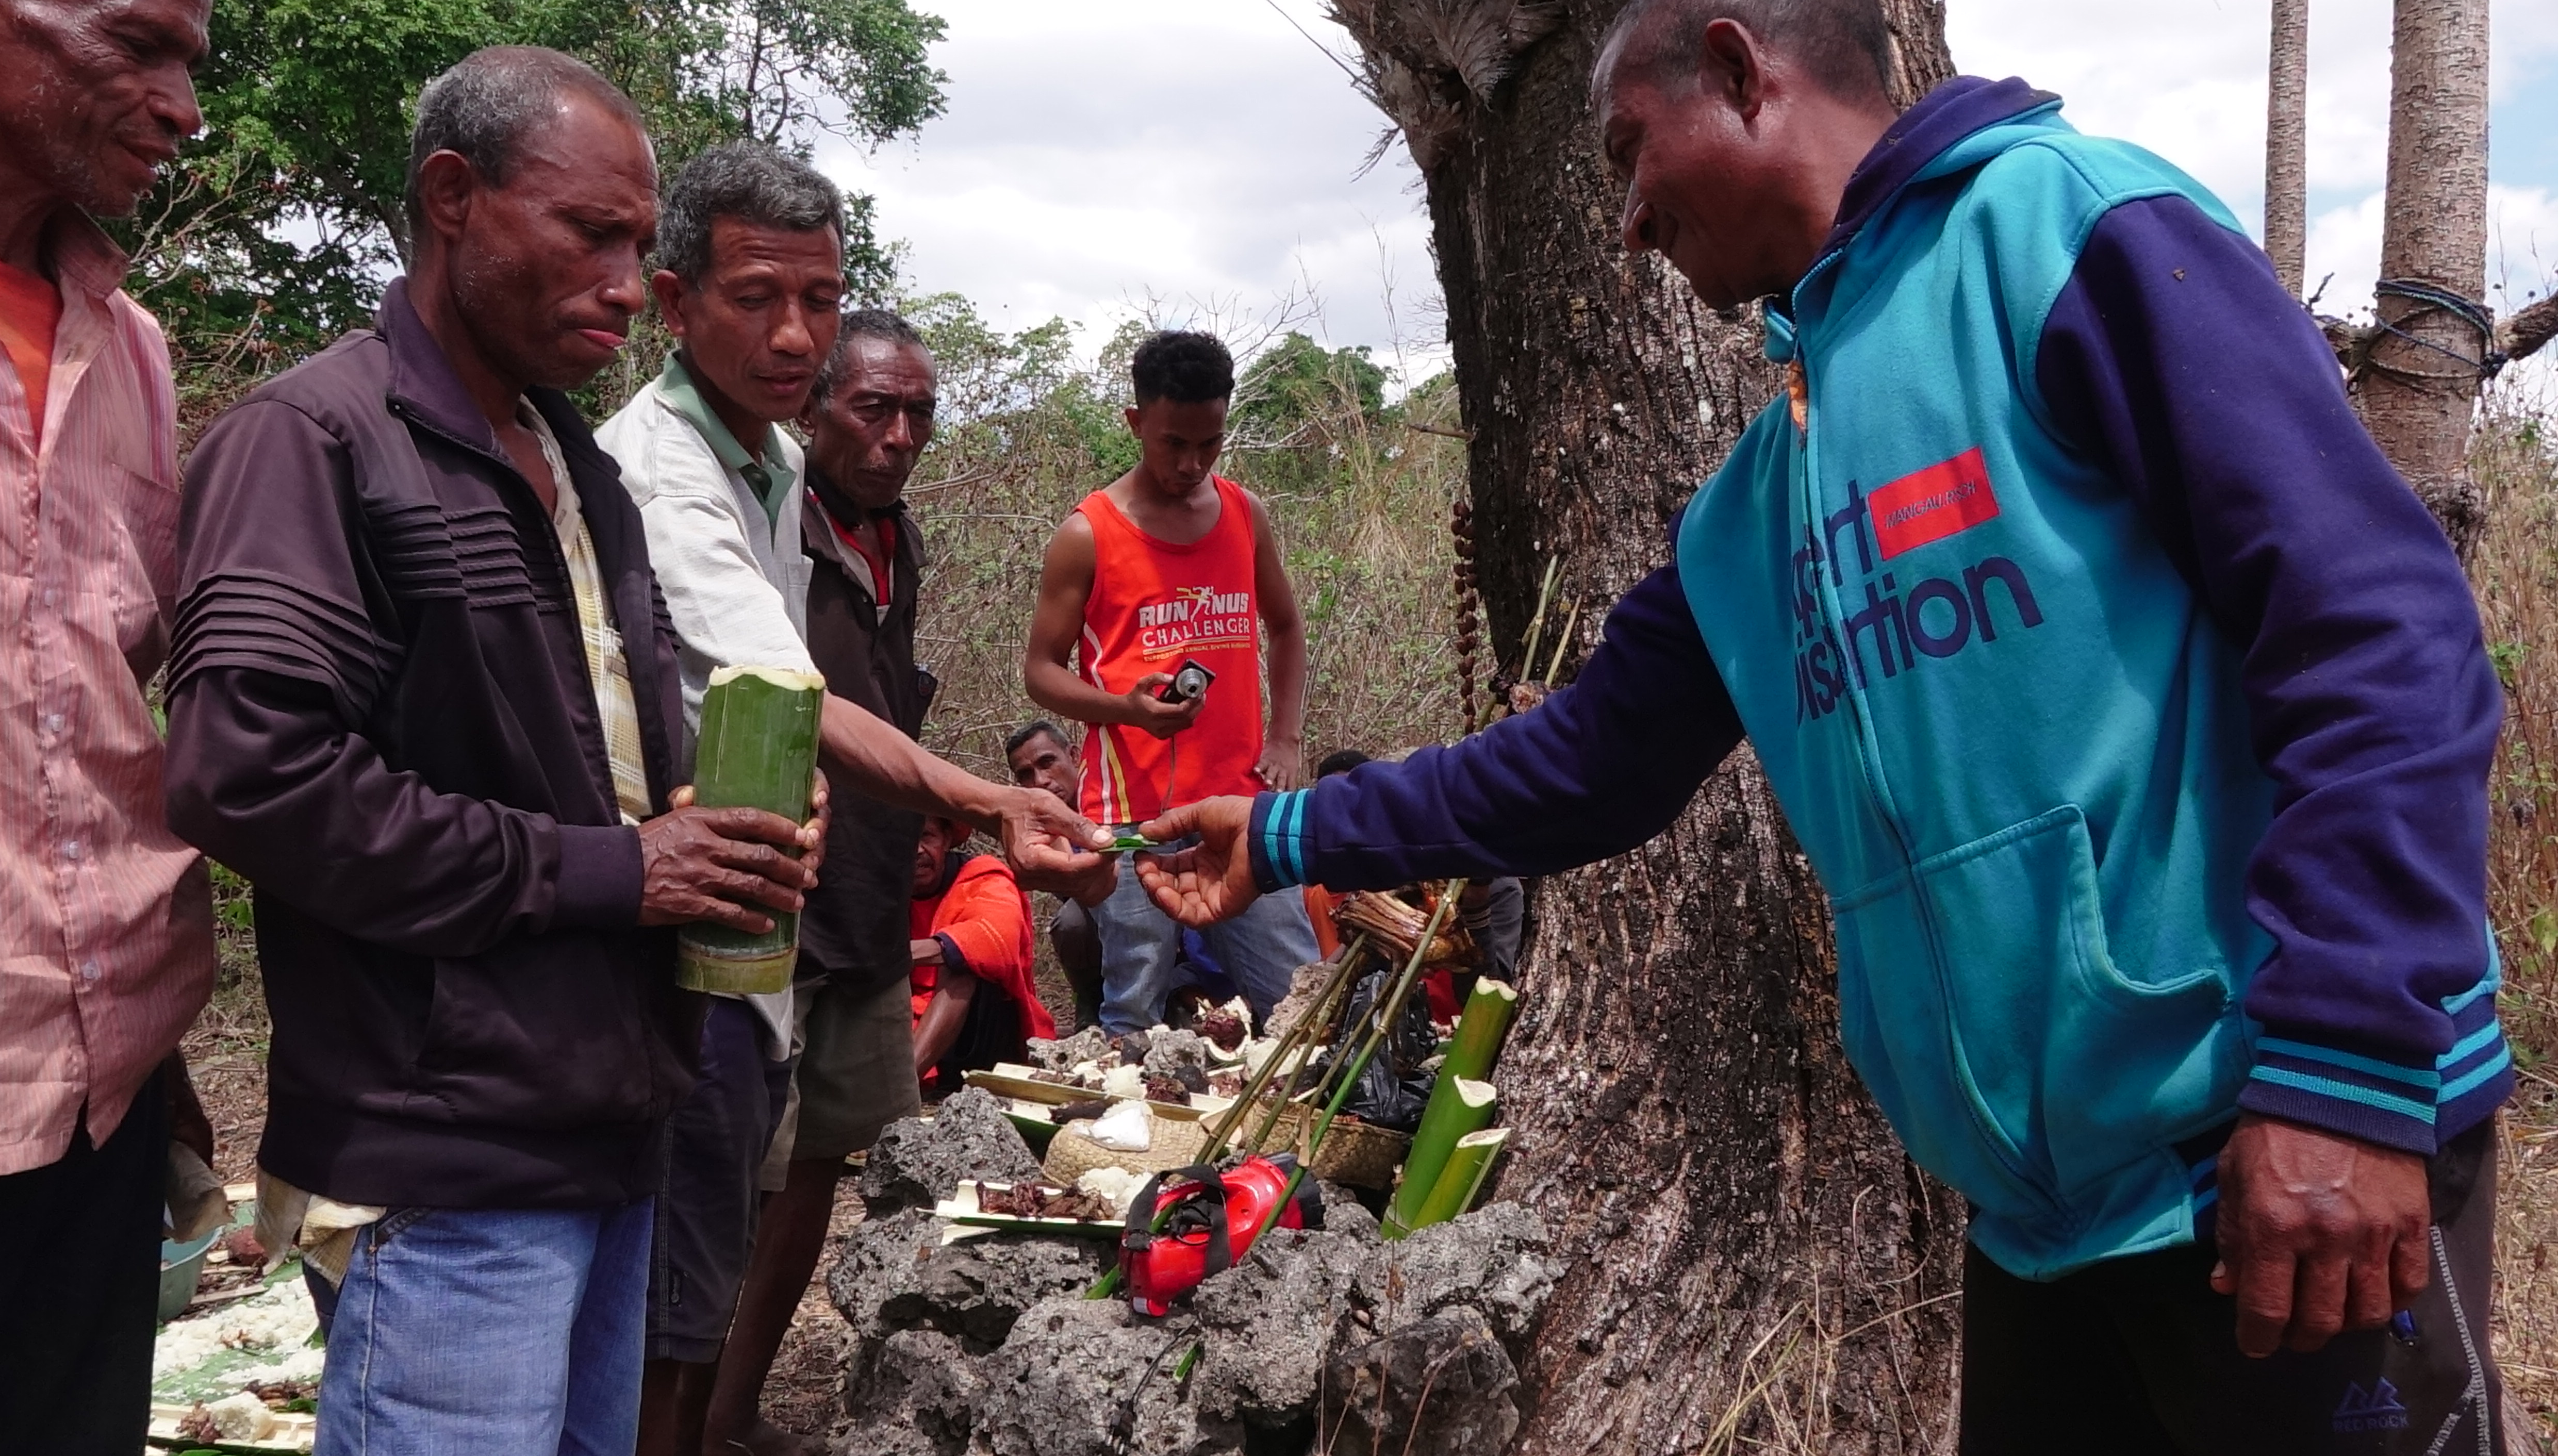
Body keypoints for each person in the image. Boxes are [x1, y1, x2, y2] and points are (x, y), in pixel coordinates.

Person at [1134, 4, 2514, 1452]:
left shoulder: (2064, 233)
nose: (1626, 220)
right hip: (2044, 1231)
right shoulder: (1763, 492)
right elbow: (1586, 761)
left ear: (1742, 70)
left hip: (2273, 1160)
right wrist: (1282, 833)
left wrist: (2344, 1075)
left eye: (1630, 150)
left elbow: (2374, 630)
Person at [162, 49, 843, 1455]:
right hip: (449, 1160)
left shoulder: (578, 469)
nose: (624, 285)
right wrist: (621, 871)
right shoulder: (316, 441)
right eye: (589, 234)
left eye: (637, 246)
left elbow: (578, 772)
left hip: (610, 1127)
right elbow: (252, 774)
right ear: (453, 199)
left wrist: (716, 828)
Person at [704, 308, 1108, 1456]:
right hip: (774, 887)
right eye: (872, 407)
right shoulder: (767, 525)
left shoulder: (899, 539)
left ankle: (731, 1412)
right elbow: (801, 705)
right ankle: (666, 1420)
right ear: (811, 406)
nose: (897, 435)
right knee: (726, 1173)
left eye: (918, 412)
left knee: (818, 1163)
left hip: (870, 900)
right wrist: (987, 801)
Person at [0, 3, 214, 1450]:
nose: (182, 105)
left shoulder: (133, 353)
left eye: (190, 60)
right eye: (135, 43)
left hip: (98, 1105)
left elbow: (122, 712)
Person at [592, 141, 838, 1456]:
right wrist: (986, 800)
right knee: (662, 1316)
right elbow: (781, 680)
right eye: (756, 298)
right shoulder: (653, 463)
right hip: (682, 944)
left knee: (697, 1291)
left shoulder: (778, 458)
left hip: (752, 923)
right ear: (676, 304)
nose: (795, 333)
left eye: (820, 298)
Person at [1022, 329, 1319, 1033]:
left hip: (1241, 807)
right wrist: (1125, 710)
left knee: (1300, 1007)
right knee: (1134, 1013)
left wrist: (1285, 738)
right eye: (1173, 443)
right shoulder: (1089, 533)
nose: (1191, 464)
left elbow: (1286, 627)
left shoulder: (1244, 514)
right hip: (1132, 818)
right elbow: (1040, 672)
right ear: (1135, 423)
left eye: (1209, 443)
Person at [1304, 751, 1525, 1017]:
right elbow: (1351, 971)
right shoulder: (1391, 873)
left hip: (1456, 1028)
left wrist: (1476, 906)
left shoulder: (1500, 889)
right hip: (1389, 1019)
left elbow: (1485, 999)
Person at [906, 817, 1053, 1094]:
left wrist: (902, 954)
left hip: (982, 1034)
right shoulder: (880, 888)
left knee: (964, 960)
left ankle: (902, 1087)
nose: (917, 850)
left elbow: (996, 938)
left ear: (946, 840)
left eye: (926, 837)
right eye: (905, 839)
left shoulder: (984, 876)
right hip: (904, 1020)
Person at [1008, 719, 1105, 1027]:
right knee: (1071, 923)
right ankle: (1092, 1007)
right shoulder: (1033, 827)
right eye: (1026, 775)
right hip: (1093, 915)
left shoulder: (1111, 795)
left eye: (1047, 763)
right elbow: (1072, 887)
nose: (1040, 781)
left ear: (1074, 756)